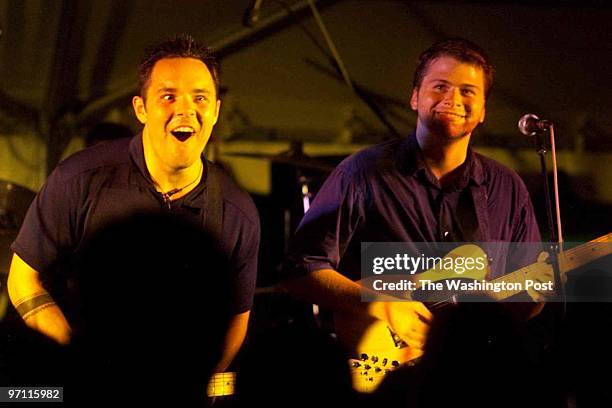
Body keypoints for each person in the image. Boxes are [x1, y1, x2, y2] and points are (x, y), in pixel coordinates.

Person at [281, 38, 550, 364]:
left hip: (476, 367)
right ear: (414, 97)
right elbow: (301, 269)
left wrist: (539, 288)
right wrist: (376, 299)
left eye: (468, 91)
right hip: (389, 371)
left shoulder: (507, 187)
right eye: (440, 86)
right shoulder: (362, 173)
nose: (452, 99)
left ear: (482, 112)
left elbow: (527, 301)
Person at [7, 34, 260, 373]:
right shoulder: (79, 178)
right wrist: (78, 362)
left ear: (215, 111)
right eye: (168, 96)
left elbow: (235, 319)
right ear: (140, 108)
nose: (185, 109)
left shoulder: (236, 211)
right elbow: (22, 279)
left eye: (200, 98)